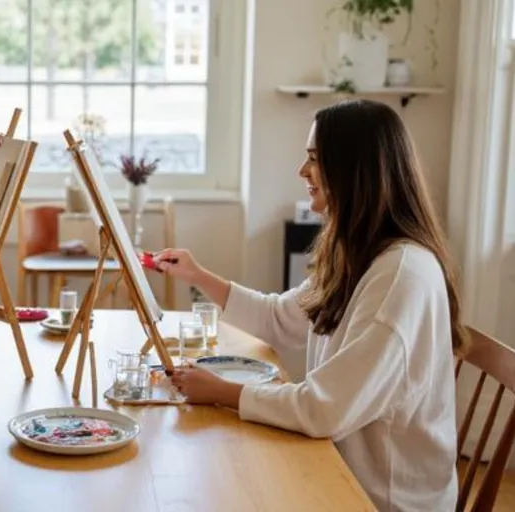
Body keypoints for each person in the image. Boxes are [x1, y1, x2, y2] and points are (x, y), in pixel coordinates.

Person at [156, 99, 466, 511]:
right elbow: (278, 319)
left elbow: (325, 410)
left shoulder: (399, 276)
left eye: (315, 159)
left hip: (380, 500)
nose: (302, 172)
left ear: (355, 171)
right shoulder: (361, 255)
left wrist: (224, 393)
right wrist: (197, 275)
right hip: (341, 468)